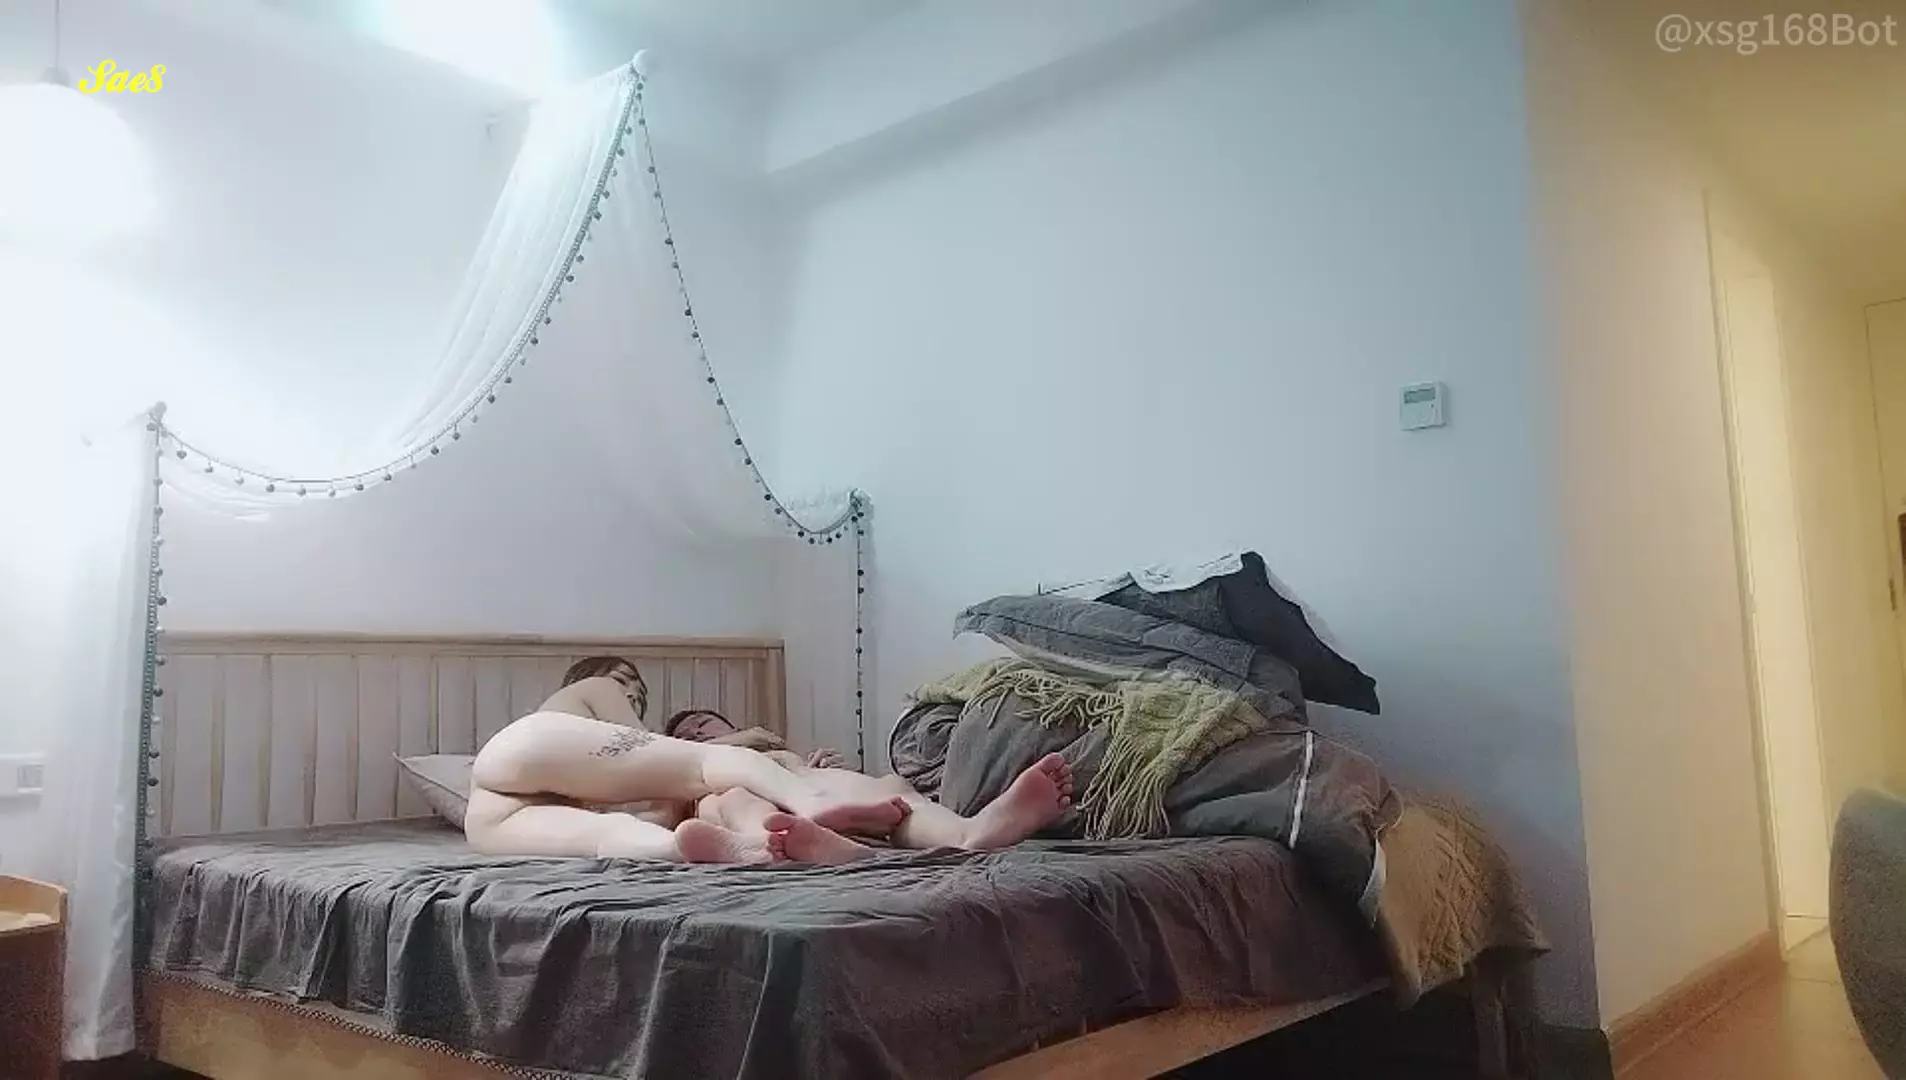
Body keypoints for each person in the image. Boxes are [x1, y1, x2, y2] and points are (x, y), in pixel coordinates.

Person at [466, 656, 912, 862]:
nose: (631, 693)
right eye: (625, 682)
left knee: (610, 836)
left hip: (488, 817)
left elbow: (650, 811)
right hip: (528, 746)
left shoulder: (583, 769)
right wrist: (745, 738)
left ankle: (745, 850)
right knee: (703, 764)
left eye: (639, 692)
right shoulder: (592, 690)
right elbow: (657, 751)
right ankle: (813, 802)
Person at [664, 707, 1077, 866]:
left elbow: (785, 758)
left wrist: (808, 764)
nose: (697, 733)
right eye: (686, 734)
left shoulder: (776, 750)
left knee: (890, 787)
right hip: (741, 796)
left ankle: (969, 833)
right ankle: (765, 845)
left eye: (704, 723)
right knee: (730, 797)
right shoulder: (685, 765)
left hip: (809, 786)